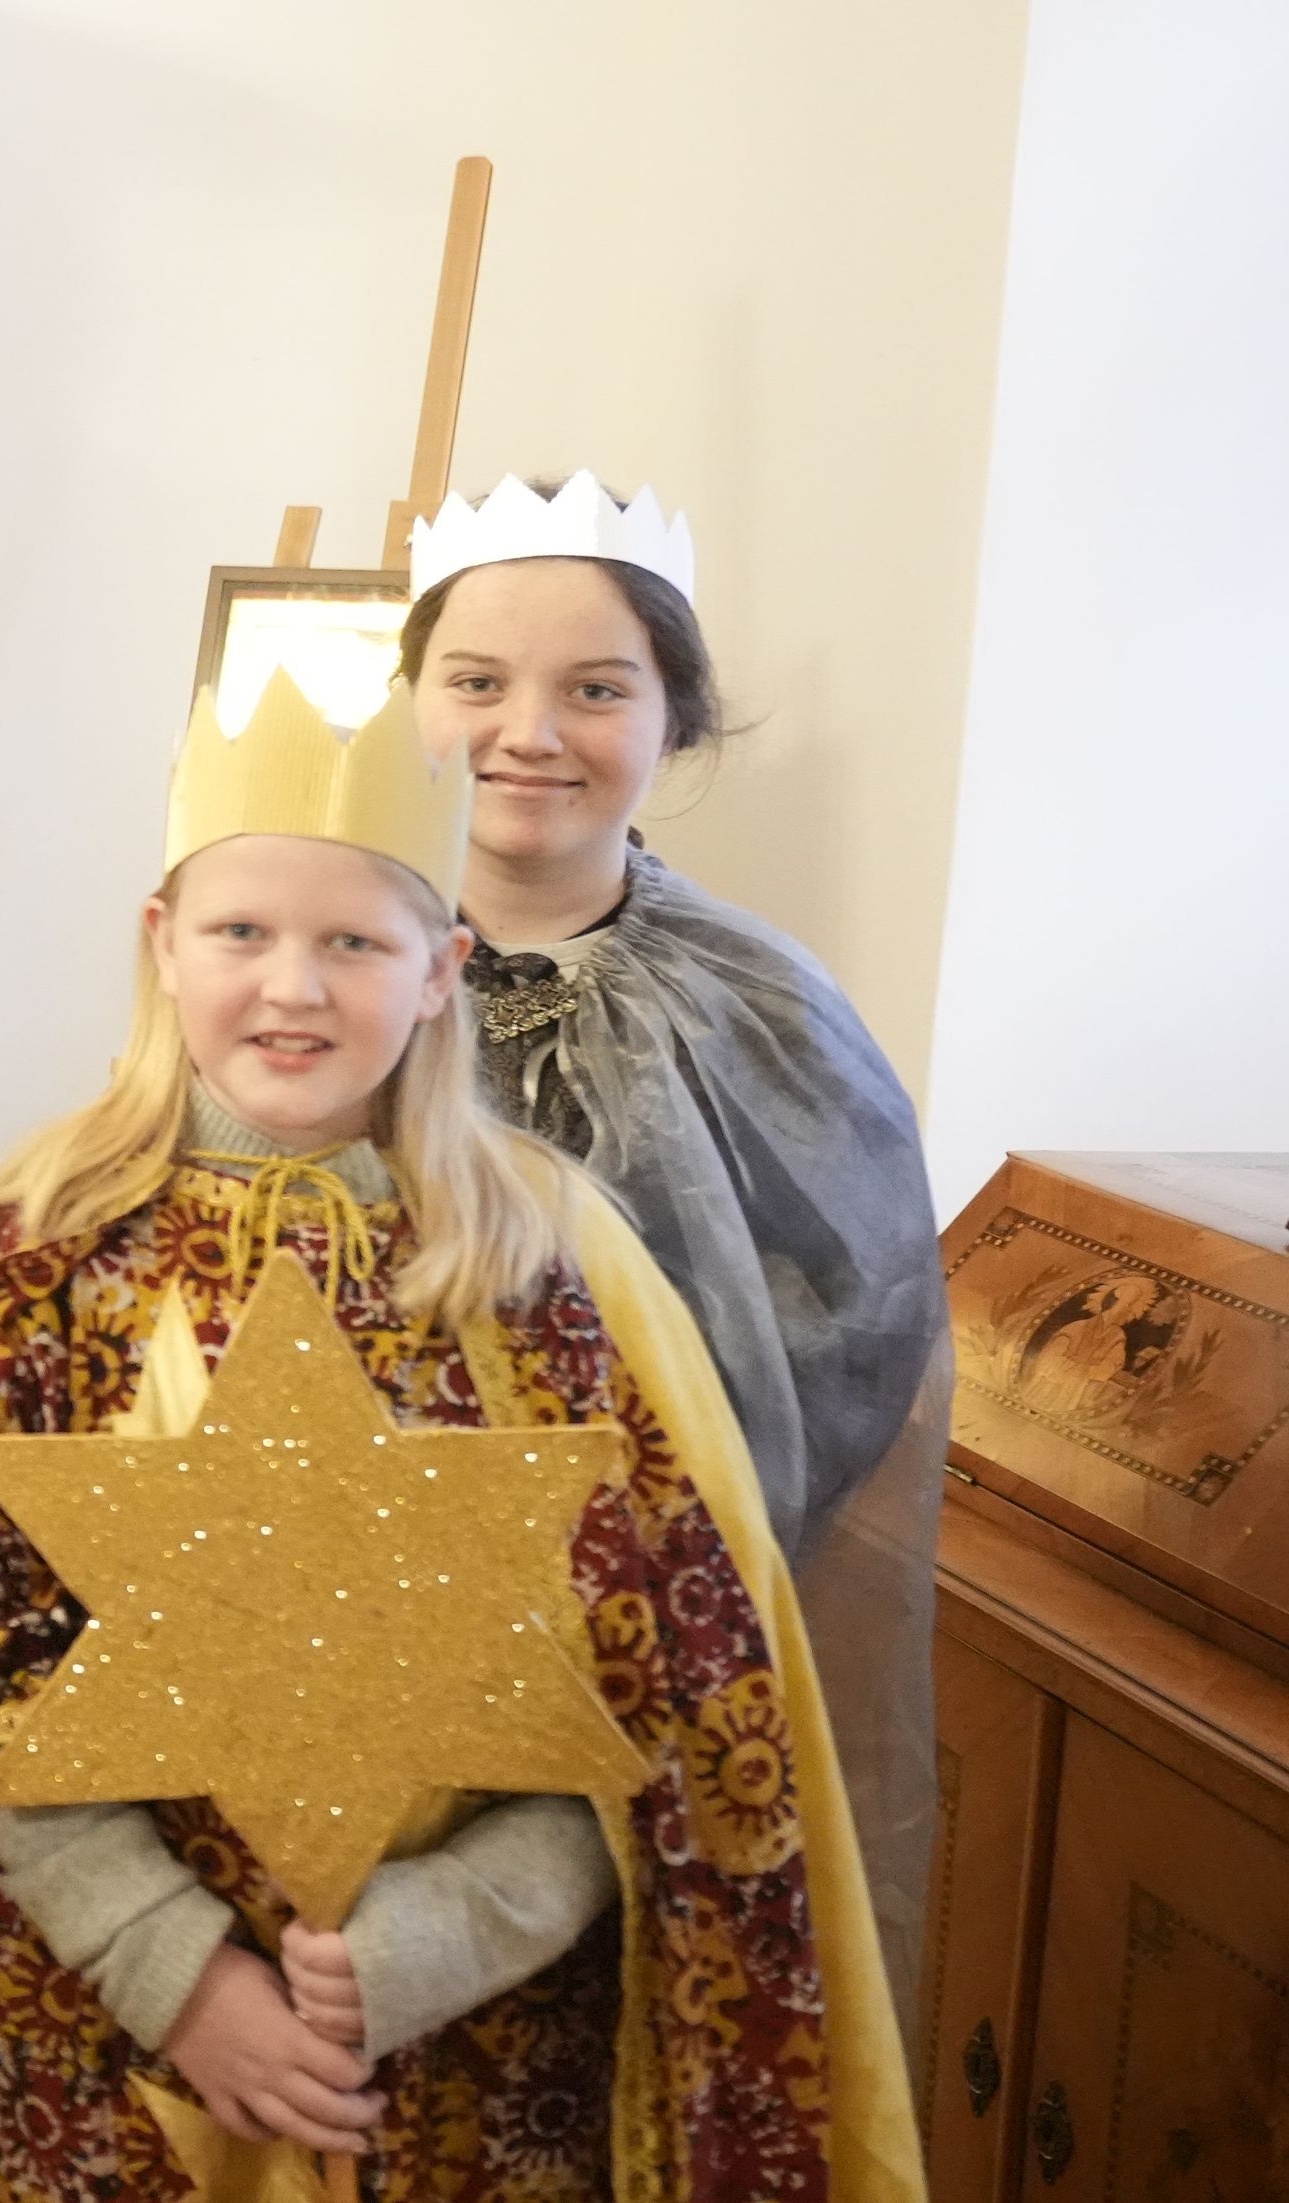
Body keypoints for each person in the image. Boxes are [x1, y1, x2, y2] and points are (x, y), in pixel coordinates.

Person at [0, 671, 919, 2199]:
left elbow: (673, 1690)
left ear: (441, 969)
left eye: (353, 942)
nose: (292, 986)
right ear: (164, 942)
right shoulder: (44, 1248)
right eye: (242, 931)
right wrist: (166, 1960)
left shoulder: (545, 1266)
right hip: (103, 2047)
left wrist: (451, 1928)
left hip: (462, 2064)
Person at [403, 468, 952, 2006]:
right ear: (412, 704)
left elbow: (848, 1331)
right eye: (477, 682)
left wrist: (625, 1575)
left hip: (654, 1655)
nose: (528, 731)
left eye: (595, 688)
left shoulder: (765, 1009)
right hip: (345, 1626)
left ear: (673, 717)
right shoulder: (312, 970)